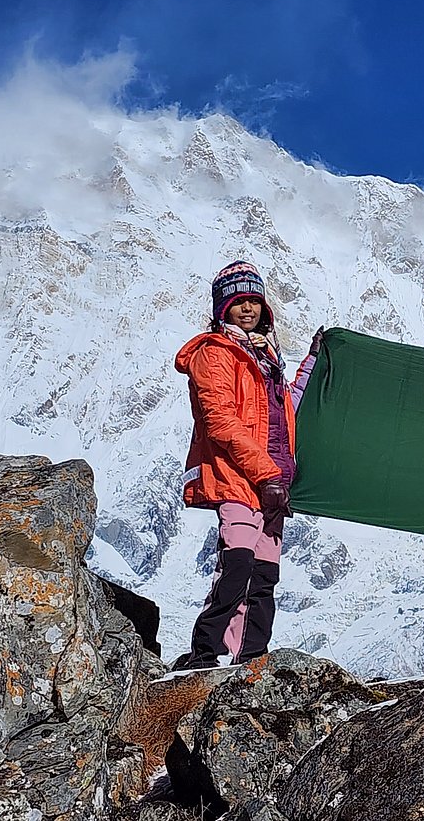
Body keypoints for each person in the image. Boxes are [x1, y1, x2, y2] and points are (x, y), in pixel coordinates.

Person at [171, 260, 320, 671]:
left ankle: (251, 658)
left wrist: (311, 362)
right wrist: (266, 473)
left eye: (255, 300)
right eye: (240, 301)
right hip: (239, 479)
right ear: (224, 308)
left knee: (264, 578)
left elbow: (286, 408)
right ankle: (204, 655)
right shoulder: (214, 354)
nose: (249, 308)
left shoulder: (268, 362)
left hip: (273, 486)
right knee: (237, 565)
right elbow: (220, 419)